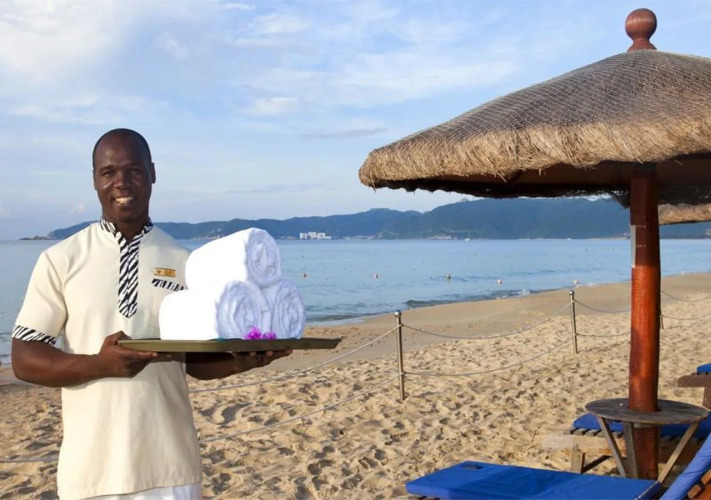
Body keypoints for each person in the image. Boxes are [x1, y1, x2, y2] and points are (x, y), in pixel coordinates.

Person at [11, 128, 291, 499]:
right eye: (108, 172)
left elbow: (191, 362)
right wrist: (101, 365)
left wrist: (244, 360)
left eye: (134, 170)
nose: (121, 182)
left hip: (171, 469)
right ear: (94, 179)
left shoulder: (186, 263)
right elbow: (24, 358)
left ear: (153, 173)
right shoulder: (61, 259)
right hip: (91, 474)